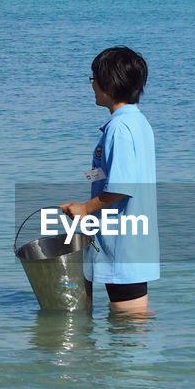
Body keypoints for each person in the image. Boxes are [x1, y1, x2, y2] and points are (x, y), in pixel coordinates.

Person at [60, 47, 159, 314]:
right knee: (131, 323)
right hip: (133, 240)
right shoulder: (138, 122)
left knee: (131, 322)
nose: (91, 85)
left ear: (108, 84)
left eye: (93, 78)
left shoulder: (120, 128)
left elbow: (121, 187)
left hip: (123, 243)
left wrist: (84, 208)